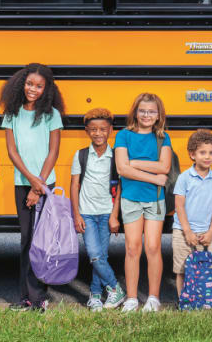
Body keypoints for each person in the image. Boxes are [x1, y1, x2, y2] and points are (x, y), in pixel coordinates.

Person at [0, 63, 65, 312]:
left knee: (43, 241)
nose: (33, 89)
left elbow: (53, 151)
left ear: (46, 89)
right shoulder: (12, 113)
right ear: (21, 84)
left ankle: (39, 297)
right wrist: (31, 181)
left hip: (45, 185)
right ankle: (25, 297)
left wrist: (39, 186)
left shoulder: (52, 115)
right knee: (27, 239)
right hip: (22, 183)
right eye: (29, 84)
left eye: (39, 86)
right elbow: (12, 152)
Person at [113, 93, 171, 312]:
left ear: (158, 115)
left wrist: (134, 163)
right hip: (131, 198)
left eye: (152, 111)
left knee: (153, 247)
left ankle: (153, 298)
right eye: (143, 110)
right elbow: (121, 169)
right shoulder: (124, 135)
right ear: (135, 112)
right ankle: (131, 298)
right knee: (132, 248)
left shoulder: (162, 138)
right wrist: (153, 176)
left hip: (155, 200)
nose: (147, 115)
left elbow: (164, 167)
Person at [70, 107, 127, 311]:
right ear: (87, 131)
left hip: (106, 213)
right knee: (94, 254)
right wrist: (76, 214)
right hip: (86, 212)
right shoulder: (81, 155)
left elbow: (119, 187)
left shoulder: (116, 156)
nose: (98, 133)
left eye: (103, 129)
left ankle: (95, 296)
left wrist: (114, 216)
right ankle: (115, 288)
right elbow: (74, 185)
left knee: (100, 256)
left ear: (110, 130)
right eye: (93, 129)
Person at [172, 129, 212, 297]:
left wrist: (211, 233)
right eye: (202, 152)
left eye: (211, 152)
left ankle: (202, 299)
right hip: (183, 231)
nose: (207, 156)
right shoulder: (184, 178)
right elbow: (179, 206)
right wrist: (187, 231)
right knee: (181, 269)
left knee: (205, 268)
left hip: (205, 233)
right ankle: (184, 301)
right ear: (192, 154)